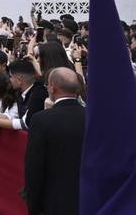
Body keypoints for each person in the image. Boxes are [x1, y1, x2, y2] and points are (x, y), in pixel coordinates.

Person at [22, 67, 85, 215]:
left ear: (52, 87)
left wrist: (33, 206)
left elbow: (34, 167)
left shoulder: (41, 120)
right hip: (90, 198)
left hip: (56, 201)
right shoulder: (93, 117)